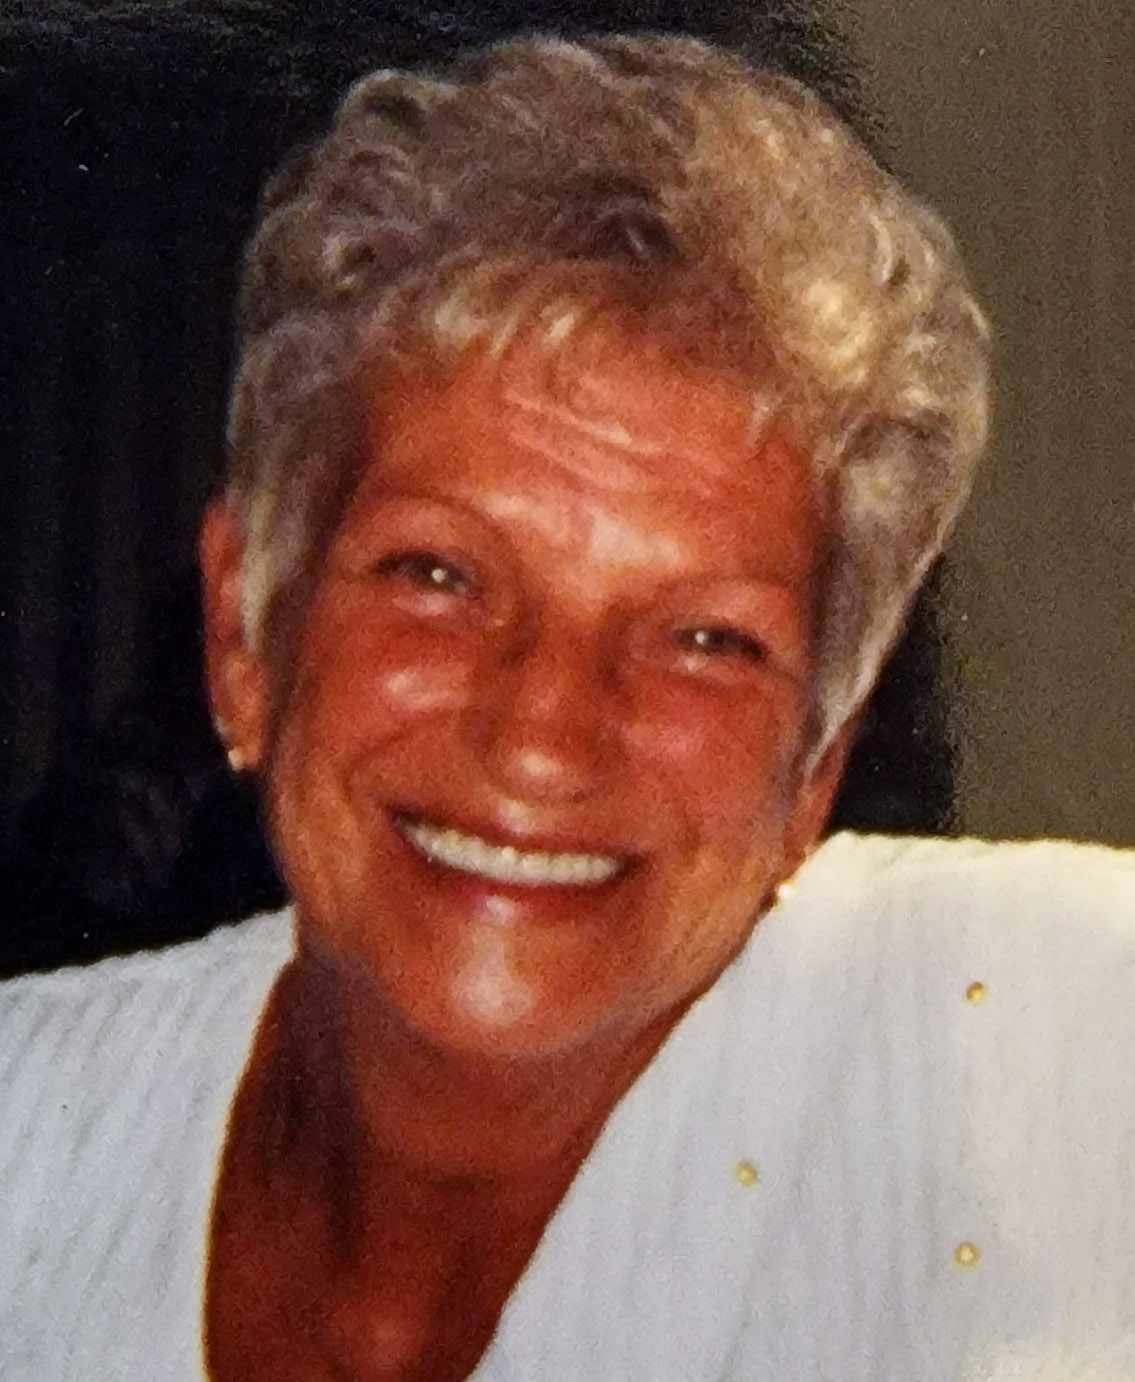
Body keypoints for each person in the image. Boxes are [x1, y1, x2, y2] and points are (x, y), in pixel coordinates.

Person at [3, 32, 1134, 1382]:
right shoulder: (29, 1131)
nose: (542, 736)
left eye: (707, 640)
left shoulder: (1036, 1039)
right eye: (439, 575)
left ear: (817, 765)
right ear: (246, 633)